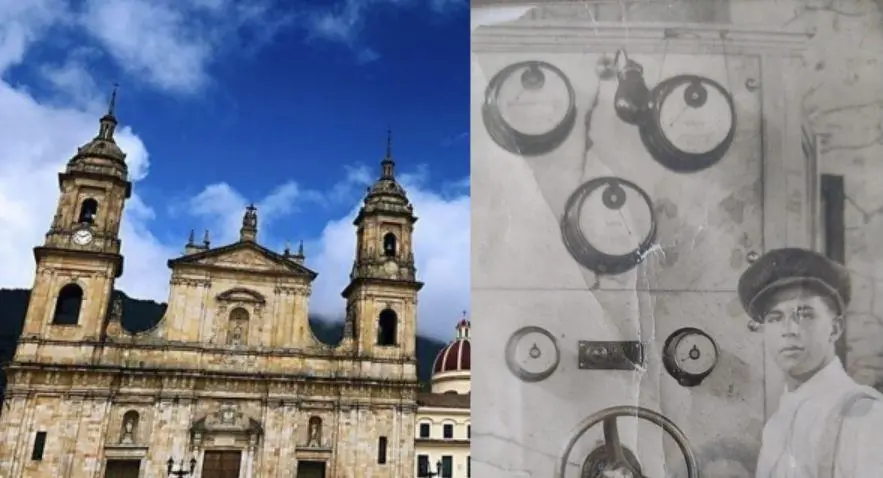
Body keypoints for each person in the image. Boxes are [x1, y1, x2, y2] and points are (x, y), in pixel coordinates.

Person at [738, 248, 883, 477]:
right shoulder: (776, 425)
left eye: (805, 314)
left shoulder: (867, 416)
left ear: (835, 329)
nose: (789, 330)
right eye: (775, 318)